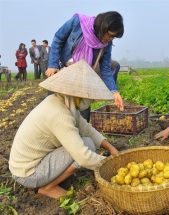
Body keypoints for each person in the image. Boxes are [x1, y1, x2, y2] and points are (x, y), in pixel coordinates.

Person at [9, 60, 119, 199]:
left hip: (34, 164)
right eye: (90, 98)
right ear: (78, 95)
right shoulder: (58, 113)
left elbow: (87, 129)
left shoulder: (64, 102)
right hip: (28, 174)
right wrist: (113, 165)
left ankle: (52, 179)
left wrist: (110, 148)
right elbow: (83, 158)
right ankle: (48, 187)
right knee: (85, 147)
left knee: (87, 141)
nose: (91, 101)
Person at [45, 11, 125, 122]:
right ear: (103, 27)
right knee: (55, 108)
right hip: (62, 69)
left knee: (83, 112)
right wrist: (52, 65)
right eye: (110, 35)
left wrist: (114, 91)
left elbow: (105, 68)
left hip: (83, 76)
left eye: (114, 37)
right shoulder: (78, 23)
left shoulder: (107, 44)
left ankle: (80, 136)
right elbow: (58, 38)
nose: (111, 39)